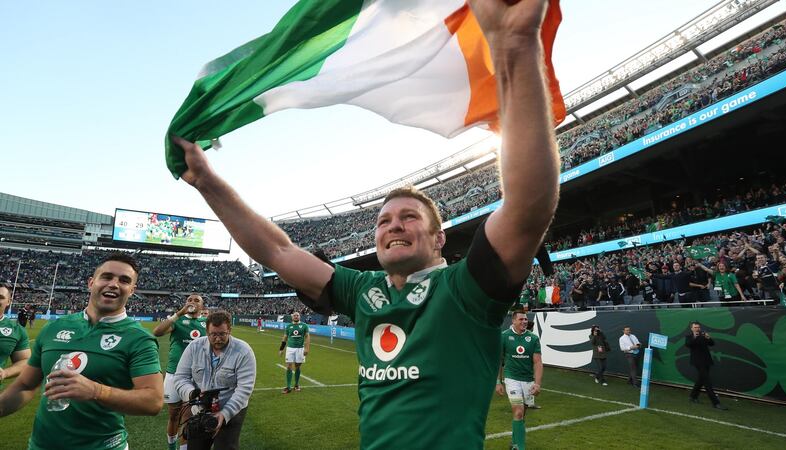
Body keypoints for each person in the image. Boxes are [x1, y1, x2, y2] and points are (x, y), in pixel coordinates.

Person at [172, 0, 561, 446]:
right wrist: (206, 181)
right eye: (383, 220)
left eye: (408, 217)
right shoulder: (364, 292)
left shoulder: (466, 289)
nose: (392, 226)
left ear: (439, 238)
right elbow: (278, 251)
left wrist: (514, 45)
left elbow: (528, 207)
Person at [0, 253, 163, 450]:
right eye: (107, 277)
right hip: (40, 446)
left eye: (124, 280)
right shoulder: (54, 328)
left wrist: (96, 391)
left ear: (131, 291)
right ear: (91, 283)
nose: (114, 284)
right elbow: (25, 385)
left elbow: (153, 401)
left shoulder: (139, 339)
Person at [174, 310, 256, 450]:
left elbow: (244, 389)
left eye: (222, 334)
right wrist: (193, 394)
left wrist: (224, 414)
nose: (218, 339)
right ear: (206, 332)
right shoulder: (194, 347)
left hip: (231, 409)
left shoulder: (244, 351)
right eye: (213, 334)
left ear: (229, 330)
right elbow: (180, 378)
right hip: (200, 409)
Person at [153, 294, 207, 450]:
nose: (192, 302)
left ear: (202, 306)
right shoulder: (178, 322)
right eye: (189, 300)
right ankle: (171, 446)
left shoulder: (206, 323)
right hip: (174, 374)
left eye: (196, 300)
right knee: (173, 415)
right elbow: (157, 332)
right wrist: (179, 313)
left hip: (195, 376)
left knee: (189, 416)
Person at [496, 311, 543, 450]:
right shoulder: (504, 336)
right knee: (518, 412)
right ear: (513, 321)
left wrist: (537, 383)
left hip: (528, 380)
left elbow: (538, 362)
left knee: (522, 415)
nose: (524, 322)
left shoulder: (533, 338)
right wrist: (498, 382)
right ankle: (520, 448)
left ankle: (514, 442)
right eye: (521, 319)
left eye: (526, 319)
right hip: (512, 379)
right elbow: (498, 361)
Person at [685, 321, 728, 410]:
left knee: (701, 380)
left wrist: (708, 338)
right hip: (698, 362)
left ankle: (693, 396)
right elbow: (688, 344)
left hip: (707, 361)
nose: (697, 329)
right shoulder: (689, 337)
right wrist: (695, 337)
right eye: (695, 327)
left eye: (698, 327)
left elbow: (712, 344)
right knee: (707, 382)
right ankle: (716, 403)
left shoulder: (703, 335)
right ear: (692, 328)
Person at [0, 285, 31, 385]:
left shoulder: (16, 330)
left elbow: (25, 361)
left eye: (1, 297)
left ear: (8, 301)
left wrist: (5, 373)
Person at [279, 311, 310, 393]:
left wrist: (307, 348)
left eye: (297, 315)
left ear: (299, 317)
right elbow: (285, 337)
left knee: (297, 366)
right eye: (294, 315)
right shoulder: (289, 326)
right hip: (290, 348)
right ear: (292, 317)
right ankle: (288, 387)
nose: (296, 316)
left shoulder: (304, 326)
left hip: (300, 349)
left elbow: (307, 337)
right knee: (289, 366)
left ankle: (296, 385)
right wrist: (281, 349)